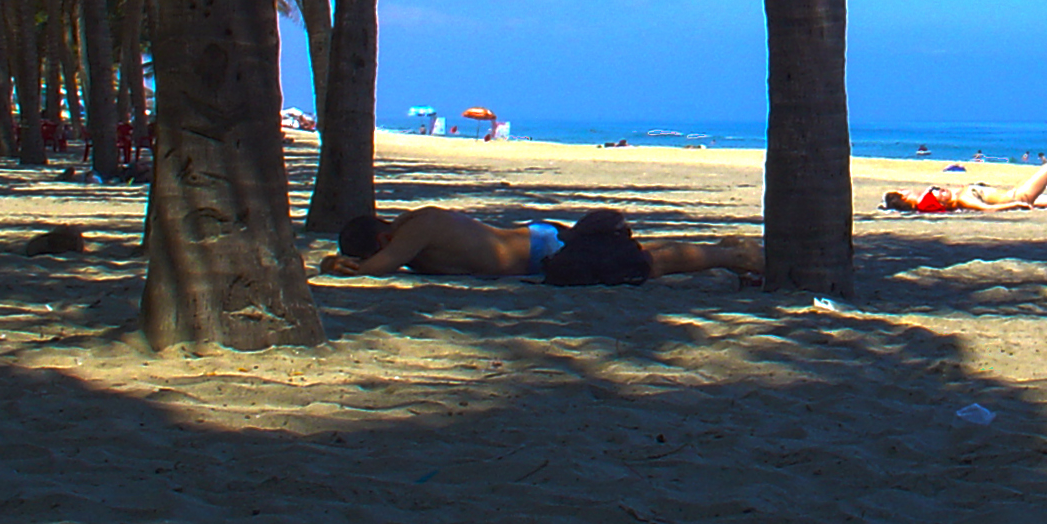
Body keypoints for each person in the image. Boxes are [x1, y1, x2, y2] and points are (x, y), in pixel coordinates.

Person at [318, 206, 765, 283]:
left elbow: (381, 267)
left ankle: (733, 256)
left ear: (381, 238)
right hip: (537, 244)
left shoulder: (414, 228)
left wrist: (343, 266)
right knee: (639, 254)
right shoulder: (418, 230)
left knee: (649, 265)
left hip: (540, 251)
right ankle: (724, 248)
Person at [883, 163, 1047, 213]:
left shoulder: (958, 194)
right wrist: (1016, 205)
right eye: (938, 193)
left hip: (1014, 194)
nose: (940, 191)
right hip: (1016, 197)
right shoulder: (963, 199)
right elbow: (988, 209)